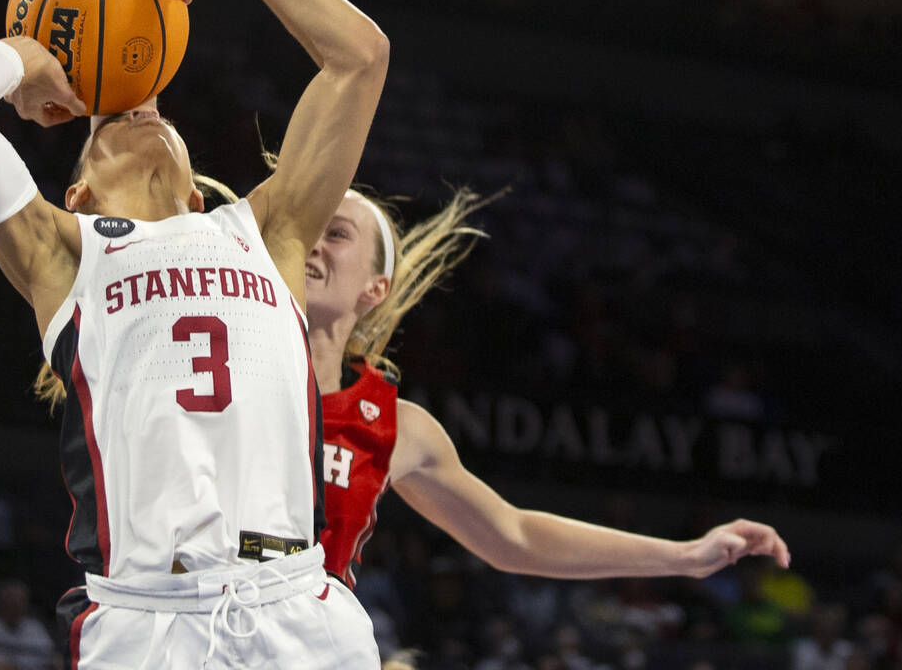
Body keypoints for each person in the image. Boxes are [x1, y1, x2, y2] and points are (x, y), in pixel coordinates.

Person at [0, 0, 387, 669]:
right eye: (108, 121)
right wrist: (33, 47)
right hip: (149, 626)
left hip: (300, 609)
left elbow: (361, 55)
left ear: (199, 194)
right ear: (78, 196)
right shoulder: (66, 255)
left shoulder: (265, 234)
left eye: (152, 102)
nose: (138, 107)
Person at [304, 187, 791, 591]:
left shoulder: (398, 427)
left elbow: (514, 536)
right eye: (307, 230)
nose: (312, 244)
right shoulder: (228, 370)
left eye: (338, 233)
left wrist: (685, 555)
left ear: (374, 288)